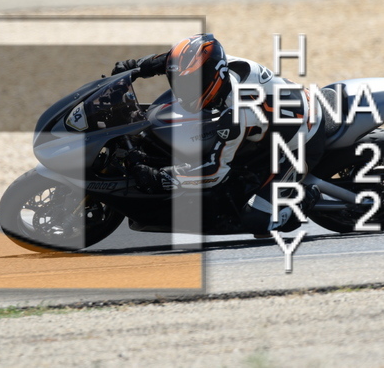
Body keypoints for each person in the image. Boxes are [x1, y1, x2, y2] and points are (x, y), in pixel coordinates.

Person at [111, 33, 325, 234]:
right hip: (274, 119)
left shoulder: (237, 113)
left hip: (302, 138)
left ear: (210, 76)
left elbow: (214, 173)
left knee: (257, 221)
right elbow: (169, 60)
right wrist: (133, 67)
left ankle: (303, 200)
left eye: (190, 83)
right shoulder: (212, 64)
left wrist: (162, 177)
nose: (183, 90)